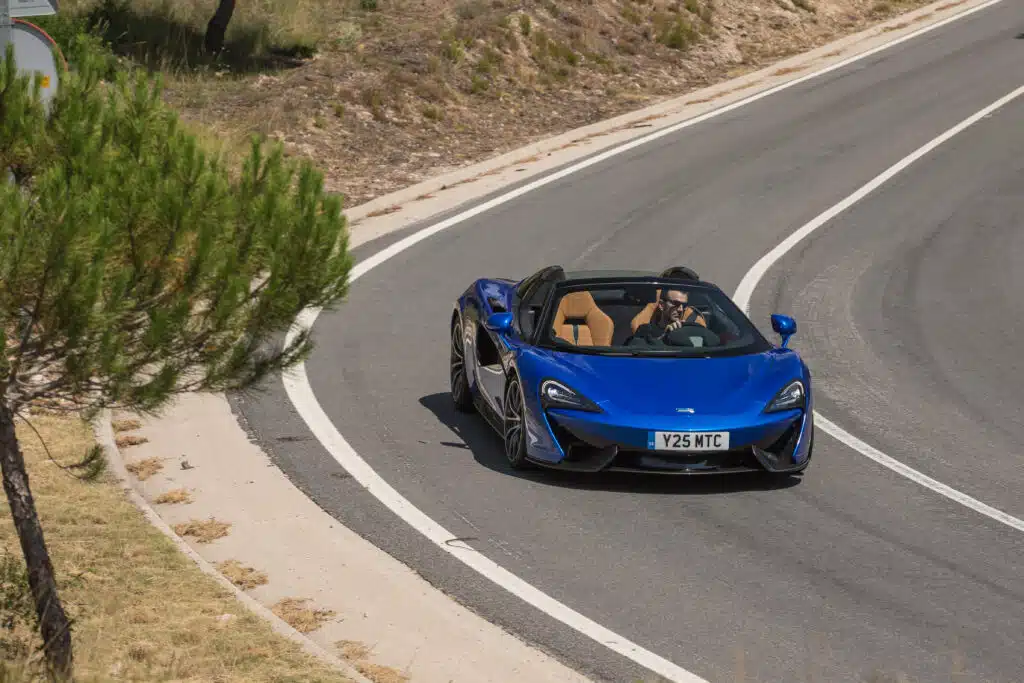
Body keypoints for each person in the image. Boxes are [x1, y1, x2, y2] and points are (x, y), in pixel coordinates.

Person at [626, 289, 714, 347]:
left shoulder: (692, 329)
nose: (680, 309)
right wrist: (664, 337)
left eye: (684, 305)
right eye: (675, 304)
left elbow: (704, 348)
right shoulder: (645, 331)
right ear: (661, 305)